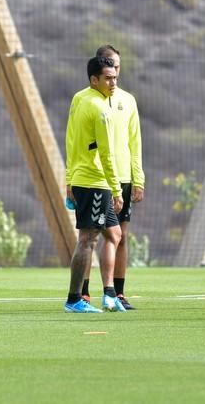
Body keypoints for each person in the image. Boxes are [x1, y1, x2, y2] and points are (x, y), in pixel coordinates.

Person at [80, 45, 145, 310]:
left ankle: (117, 292)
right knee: (89, 237)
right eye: (110, 69)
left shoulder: (128, 100)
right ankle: (82, 292)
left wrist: (138, 178)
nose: (115, 73)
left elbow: (135, 141)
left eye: (117, 67)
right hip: (98, 178)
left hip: (124, 177)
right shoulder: (87, 101)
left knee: (120, 236)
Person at [64, 56, 125, 313]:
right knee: (88, 240)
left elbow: (69, 138)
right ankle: (75, 299)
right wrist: (116, 189)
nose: (113, 82)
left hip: (81, 178)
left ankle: (110, 295)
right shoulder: (102, 111)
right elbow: (107, 154)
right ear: (94, 79)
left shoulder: (79, 98)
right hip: (94, 181)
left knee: (114, 233)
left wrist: (69, 179)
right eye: (108, 78)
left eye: (115, 77)